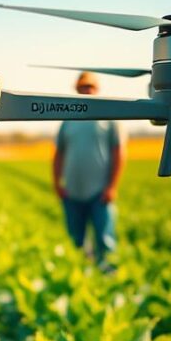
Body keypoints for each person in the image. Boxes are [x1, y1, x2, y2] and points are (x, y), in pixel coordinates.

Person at [52, 72, 126, 265]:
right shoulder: (67, 119)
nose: (86, 90)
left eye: (89, 87)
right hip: (72, 192)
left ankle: (108, 279)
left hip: (99, 192)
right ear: (76, 90)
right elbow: (59, 153)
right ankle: (81, 278)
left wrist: (112, 187)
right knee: (76, 241)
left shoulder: (109, 118)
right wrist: (57, 183)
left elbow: (119, 153)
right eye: (82, 87)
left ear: (97, 89)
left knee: (105, 241)